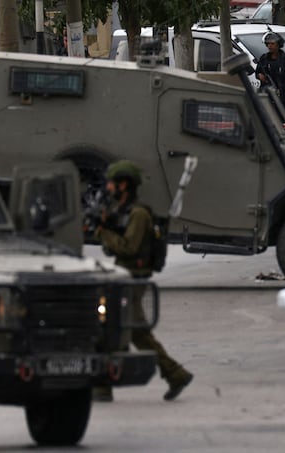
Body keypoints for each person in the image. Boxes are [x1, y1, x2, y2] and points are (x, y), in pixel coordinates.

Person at [94, 160, 193, 402]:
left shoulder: (138, 214)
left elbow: (129, 248)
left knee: (127, 331)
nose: (108, 188)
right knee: (122, 330)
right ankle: (172, 374)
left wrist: (103, 232)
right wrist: (106, 225)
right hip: (123, 279)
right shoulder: (125, 211)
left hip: (133, 281)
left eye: (112, 183)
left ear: (124, 185)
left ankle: (173, 374)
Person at [255, 31, 285, 110]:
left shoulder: (284, 58)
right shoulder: (264, 58)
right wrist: (260, 76)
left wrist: (281, 86)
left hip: (281, 95)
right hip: (266, 93)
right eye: (268, 44)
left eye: (272, 44)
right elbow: (258, 72)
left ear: (278, 44)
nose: (270, 46)